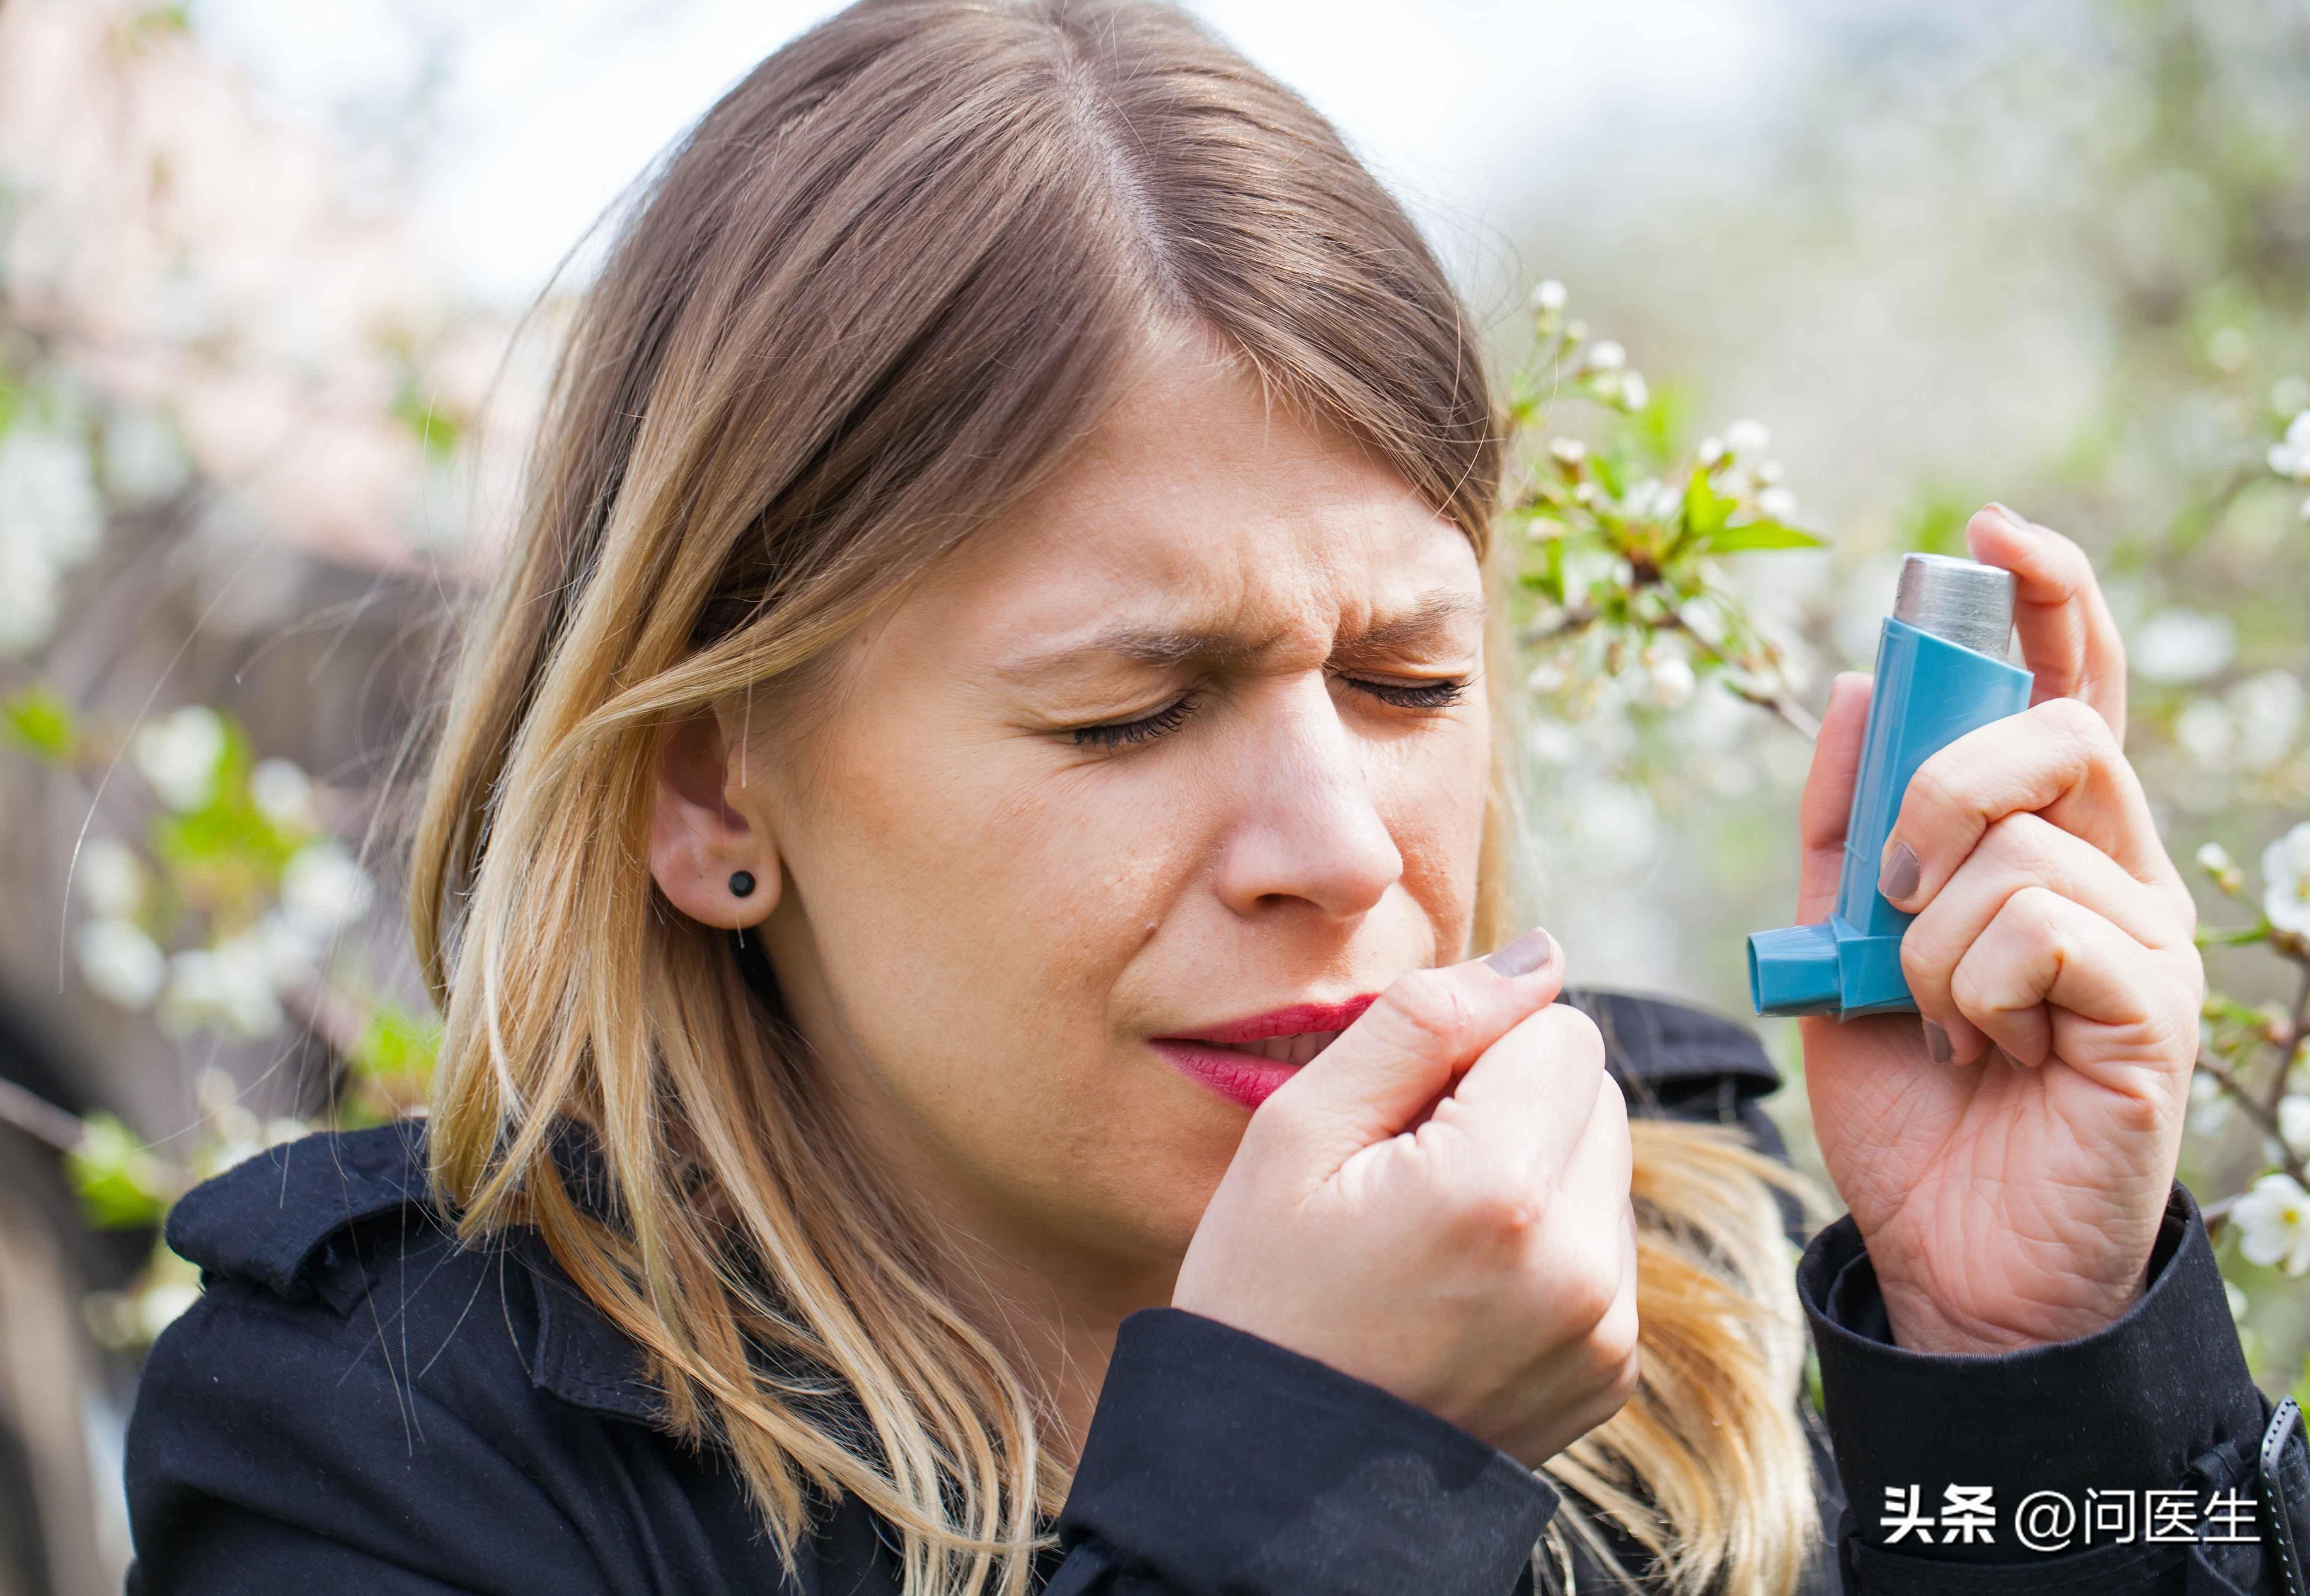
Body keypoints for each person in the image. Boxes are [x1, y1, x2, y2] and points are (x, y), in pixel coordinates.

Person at [120, 2, 2305, 1592]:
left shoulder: (1695, 1315)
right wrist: (1316, 1490)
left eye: (1405, 678)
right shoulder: (386, 1449)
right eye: (1129, 712)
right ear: (712, 789)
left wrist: (2031, 1372)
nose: (1344, 850)